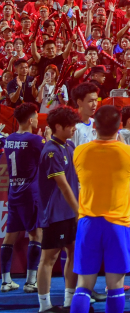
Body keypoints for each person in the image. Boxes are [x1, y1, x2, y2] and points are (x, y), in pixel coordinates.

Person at [68, 106, 130, 313]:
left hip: (88, 223)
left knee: (83, 285)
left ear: (95, 126)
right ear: (119, 126)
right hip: (117, 224)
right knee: (116, 286)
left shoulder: (80, 151)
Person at [37, 106, 80, 313]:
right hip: (55, 214)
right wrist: (79, 211)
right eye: (70, 125)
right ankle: (44, 306)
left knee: (73, 252)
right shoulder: (51, 152)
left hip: (71, 213)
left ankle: (69, 301)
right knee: (49, 258)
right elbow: (63, 186)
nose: (74, 128)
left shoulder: (69, 145)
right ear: (58, 126)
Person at [1, 103, 44, 293]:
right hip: (30, 193)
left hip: (14, 192)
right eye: (36, 117)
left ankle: (5, 281)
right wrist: (45, 139)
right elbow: (48, 158)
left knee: (10, 235)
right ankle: (31, 282)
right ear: (30, 120)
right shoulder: (35, 140)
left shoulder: (9, 139)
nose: (37, 120)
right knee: (36, 234)